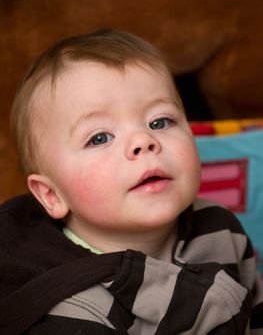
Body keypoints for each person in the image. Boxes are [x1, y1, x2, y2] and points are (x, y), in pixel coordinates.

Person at [0, 29, 262, 335]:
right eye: (99, 138)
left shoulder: (219, 228)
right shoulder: (66, 309)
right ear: (51, 195)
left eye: (159, 121)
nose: (144, 140)